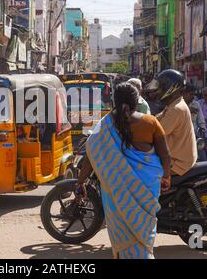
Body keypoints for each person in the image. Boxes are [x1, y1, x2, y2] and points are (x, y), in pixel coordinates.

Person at [76, 83, 171, 259]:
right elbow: (165, 155)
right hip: (148, 186)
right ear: (137, 102)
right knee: (143, 230)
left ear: (114, 102)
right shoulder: (151, 122)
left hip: (115, 191)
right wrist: (166, 177)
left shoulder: (104, 127)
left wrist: (80, 182)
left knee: (121, 232)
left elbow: (90, 158)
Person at [149, 69, 197, 176]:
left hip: (178, 164)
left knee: (145, 175)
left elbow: (157, 133)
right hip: (179, 158)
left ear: (169, 89)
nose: (157, 91)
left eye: (160, 88)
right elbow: (154, 120)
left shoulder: (176, 109)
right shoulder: (173, 105)